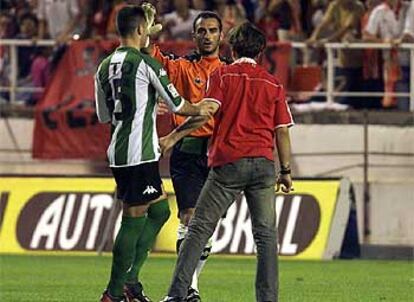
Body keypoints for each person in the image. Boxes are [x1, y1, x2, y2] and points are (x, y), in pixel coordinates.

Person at [160, 21, 294, 302]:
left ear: (231, 47)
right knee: (266, 237)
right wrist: (285, 171)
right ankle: (268, 299)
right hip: (263, 164)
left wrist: (174, 135)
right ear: (260, 51)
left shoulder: (222, 76)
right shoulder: (273, 83)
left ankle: (177, 294)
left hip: (228, 163)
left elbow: (207, 112)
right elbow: (281, 130)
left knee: (198, 229)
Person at [94, 5, 215, 302]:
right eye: (148, 29)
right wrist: (200, 109)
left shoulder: (103, 66)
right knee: (133, 218)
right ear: (139, 31)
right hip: (139, 151)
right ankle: (114, 292)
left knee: (160, 211)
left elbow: (102, 115)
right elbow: (177, 104)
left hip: (120, 150)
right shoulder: (145, 63)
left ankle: (131, 280)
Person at [132, 5, 227, 302]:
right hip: (187, 152)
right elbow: (148, 54)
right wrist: (145, 29)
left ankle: (188, 285)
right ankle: (190, 287)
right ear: (193, 35)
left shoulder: (230, 71)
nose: (207, 36)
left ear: (221, 35)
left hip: (219, 154)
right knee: (190, 217)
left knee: (207, 225)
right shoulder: (182, 67)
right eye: (201, 31)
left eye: (212, 31)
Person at [307, 0, 365, 108]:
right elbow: (324, 23)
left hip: (358, 51)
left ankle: (351, 103)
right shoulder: (335, 5)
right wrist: (313, 38)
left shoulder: (358, 7)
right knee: (342, 75)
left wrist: (328, 40)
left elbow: (347, 27)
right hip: (343, 53)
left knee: (354, 78)